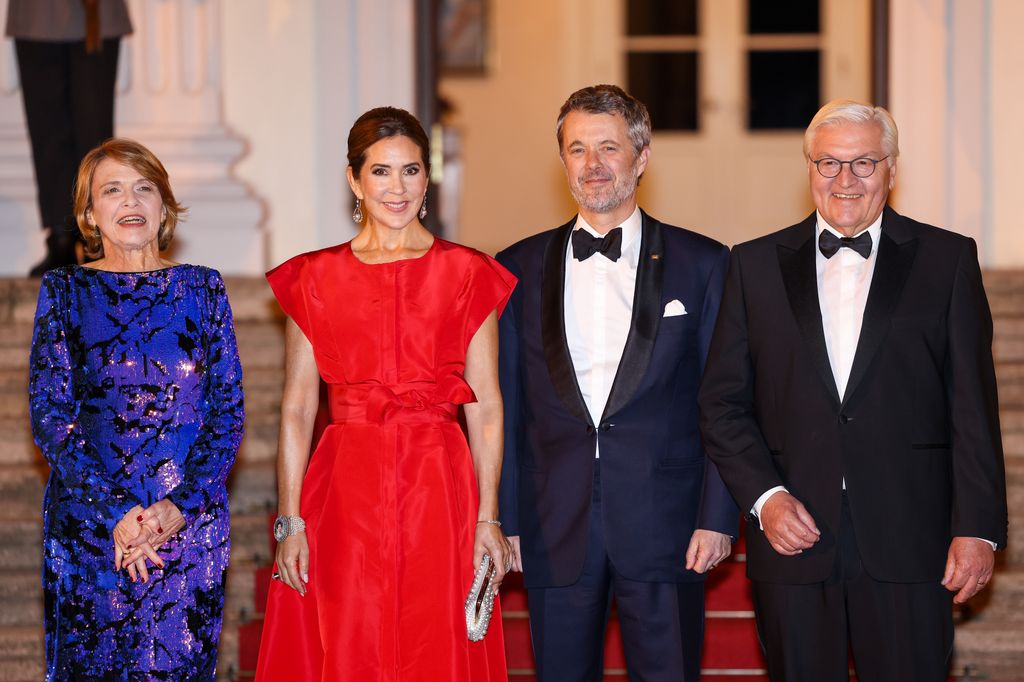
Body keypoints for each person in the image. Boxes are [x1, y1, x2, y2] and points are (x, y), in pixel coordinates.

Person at [698, 100, 1008, 681]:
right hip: (792, 537)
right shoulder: (753, 264)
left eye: (864, 163)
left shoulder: (948, 260)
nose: (845, 181)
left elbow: (972, 405)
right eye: (828, 164)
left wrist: (978, 526)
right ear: (809, 169)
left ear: (892, 168)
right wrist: (765, 498)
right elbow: (721, 403)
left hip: (911, 536)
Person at [254, 106, 516, 681]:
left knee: (436, 640)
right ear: (354, 179)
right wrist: (291, 521)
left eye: (411, 170)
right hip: (343, 487)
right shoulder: (313, 277)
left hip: (440, 486)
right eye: (380, 171)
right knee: (347, 637)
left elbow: (488, 406)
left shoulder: (469, 273)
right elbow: (298, 409)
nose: (396, 188)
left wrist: (488, 518)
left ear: (428, 177)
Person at [496, 84, 736, 682]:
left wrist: (719, 514)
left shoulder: (703, 263)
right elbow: (505, 402)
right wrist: (508, 517)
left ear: (642, 156)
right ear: (563, 162)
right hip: (554, 521)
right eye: (578, 149)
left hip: (669, 520)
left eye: (608, 147)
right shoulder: (513, 269)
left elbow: (725, 400)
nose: (593, 165)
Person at [28, 138, 244, 680]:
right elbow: (52, 417)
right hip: (91, 529)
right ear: (90, 212)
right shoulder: (65, 291)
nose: (131, 201)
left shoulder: (204, 290)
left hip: (189, 529)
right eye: (113, 189)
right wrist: (118, 514)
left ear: (164, 207)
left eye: (145, 188)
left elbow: (227, 415)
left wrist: (177, 509)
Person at [6, 0, 132, 275]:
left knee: (95, 135)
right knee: (47, 131)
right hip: (36, 13)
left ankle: (95, 236)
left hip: (95, 12)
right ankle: (61, 235)